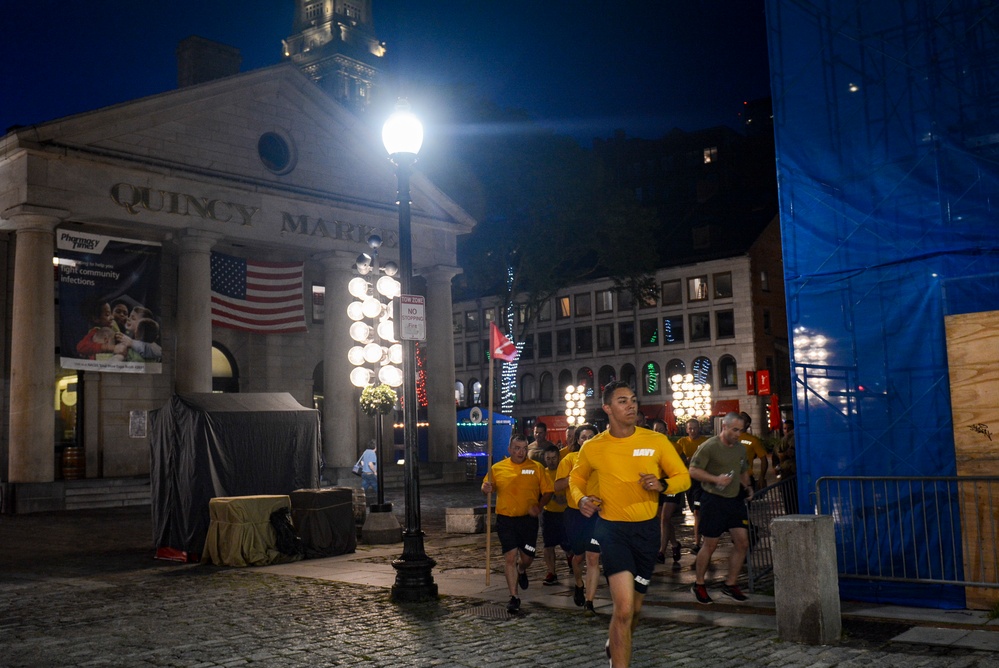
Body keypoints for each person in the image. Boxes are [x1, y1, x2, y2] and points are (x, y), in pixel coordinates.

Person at [569, 381, 690, 668]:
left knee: (634, 612)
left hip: (647, 532)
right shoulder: (593, 447)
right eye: (622, 401)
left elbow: (683, 477)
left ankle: (616, 641)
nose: (631, 405)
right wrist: (581, 498)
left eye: (633, 399)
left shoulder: (656, 441)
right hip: (612, 531)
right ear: (607, 408)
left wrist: (662, 484)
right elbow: (576, 480)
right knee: (622, 610)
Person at [481, 434, 553, 613]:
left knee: (527, 558)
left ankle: (522, 569)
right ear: (509, 449)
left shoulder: (536, 468)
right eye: (517, 448)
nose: (521, 452)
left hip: (528, 520)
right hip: (506, 519)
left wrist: (539, 506)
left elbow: (548, 491)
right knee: (510, 557)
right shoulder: (497, 468)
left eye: (524, 448)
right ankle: (514, 596)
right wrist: (486, 488)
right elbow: (486, 487)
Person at [688, 412, 752, 605]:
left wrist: (747, 487)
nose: (738, 434)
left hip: (733, 500)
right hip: (713, 500)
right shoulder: (709, 446)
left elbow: (742, 470)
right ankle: (699, 584)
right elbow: (693, 470)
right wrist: (716, 479)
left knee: (742, 543)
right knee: (710, 545)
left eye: (740, 431)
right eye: (734, 430)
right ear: (724, 427)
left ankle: (730, 584)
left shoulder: (740, 448)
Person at [555, 423, 601, 615]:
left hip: (597, 514)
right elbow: (557, 486)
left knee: (593, 557)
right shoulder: (569, 459)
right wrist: (574, 476)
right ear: (578, 440)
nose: (587, 440)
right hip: (575, 514)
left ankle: (590, 602)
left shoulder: (603, 460)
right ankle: (579, 583)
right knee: (578, 557)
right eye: (584, 437)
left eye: (591, 436)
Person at [652, 418, 685, 569]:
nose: (658, 432)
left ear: (666, 432)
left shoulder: (675, 447)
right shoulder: (650, 449)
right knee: (662, 519)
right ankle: (675, 543)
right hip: (657, 485)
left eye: (661, 430)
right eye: (655, 430)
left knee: (665, 517)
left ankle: (661, 552)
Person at [675, 418, 708, 553]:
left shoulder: (705, 442)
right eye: (690, 428)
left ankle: (700, 541)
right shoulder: (681, 442)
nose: (692, 431)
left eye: (695, 428)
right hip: (689, 481)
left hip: (701, 481)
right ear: (686, 429)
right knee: (695, 512)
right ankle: (698, 541)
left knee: (698, 511)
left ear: (699, 428)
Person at [539, 443, 568, 586]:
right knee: (548, 544)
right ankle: (551, 572)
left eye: (554, 457)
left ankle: (570, 557)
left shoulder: (565, 471)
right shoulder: (542, 473)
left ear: (559, 458)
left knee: (568, 545)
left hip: (566, 514)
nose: (551, 461)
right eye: (548, 458)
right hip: (549, 514)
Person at [740, 412, 769, 490]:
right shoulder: (729, 438)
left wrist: (762, 477)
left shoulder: (753, 440)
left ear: (747, 424)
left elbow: (764, 460)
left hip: (746, 478)